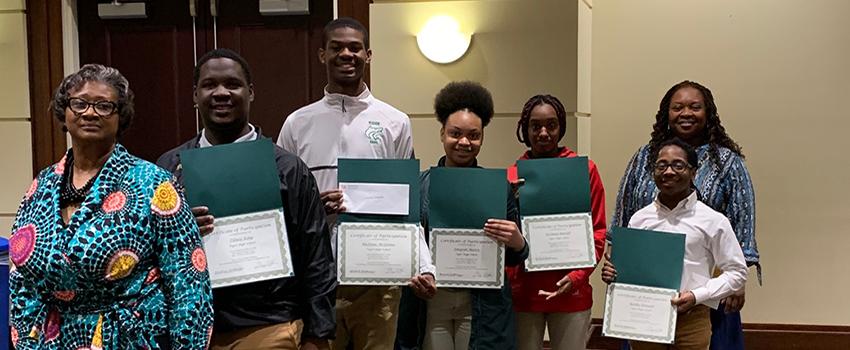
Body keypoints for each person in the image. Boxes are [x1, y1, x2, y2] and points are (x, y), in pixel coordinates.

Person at [8, 64, 214, 349]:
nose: (90, 113)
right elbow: (22, 281)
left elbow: (188, 284)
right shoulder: (41, 186)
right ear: (64, 113)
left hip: (131, 339)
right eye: (79, 103)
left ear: (121, 116)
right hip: (53, 341)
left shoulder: (153, 183)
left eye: (104, 106)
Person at [157, 48, 336, 350]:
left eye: (232, 84)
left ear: (250, 92)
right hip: (191, 328)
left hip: (270, 325)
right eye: (209, 85)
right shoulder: (168, 170)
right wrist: (179, 228)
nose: (221, 93)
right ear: (194, 95)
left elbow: (316, 256)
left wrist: (318, 335)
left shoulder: (287, 169)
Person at [277, 18, 431, 350]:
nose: (346, 54)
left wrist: (423, 264)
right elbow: (281, 201)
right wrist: (313, 206)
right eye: (337, 47)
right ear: (322, 55)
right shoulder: (297, 123)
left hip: (378, 280)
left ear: (368, 55)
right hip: (318, 277)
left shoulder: (395, 122)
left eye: (354, 47)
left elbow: (408, 205)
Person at [612, 81, 759, 350]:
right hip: (648, 296)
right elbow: (624, 217)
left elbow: (742, 223)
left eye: (695, 107)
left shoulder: (728, 162)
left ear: (708, 113)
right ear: (666, 113)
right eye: (677, 107)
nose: (686, 113)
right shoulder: (644, 157)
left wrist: (736, 283)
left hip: (704, 292)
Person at [403, 81, 528, 350]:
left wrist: (518, 241)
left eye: (473, 135)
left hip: (480, 304)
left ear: (482, 137)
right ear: (442, 134)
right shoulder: (420, 185)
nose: (464, 142)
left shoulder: (497, 188)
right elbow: (408, 242)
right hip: (432, 303)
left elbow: (517, 256)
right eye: (455, 133)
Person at [603, 138, 748, 350]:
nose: (668, 171)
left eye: (678, 165)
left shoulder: (713, 221)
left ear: (693, 172)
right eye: (661, 165)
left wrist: (698, 295)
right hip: (645, 315)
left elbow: (737, 273)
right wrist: (614, 273)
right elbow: (632, 270)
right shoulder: (639, 219)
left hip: (692, 317)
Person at [505, 95, 606, 350]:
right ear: (524, 129)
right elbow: (504, 240)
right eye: (535, 126)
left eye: (551, 125)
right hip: (524, 294)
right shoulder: (512, 175)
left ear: (561, 127)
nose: (543, 133)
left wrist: (577, 276)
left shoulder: (584, 170)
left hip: (571, 291)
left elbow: (598, 231)